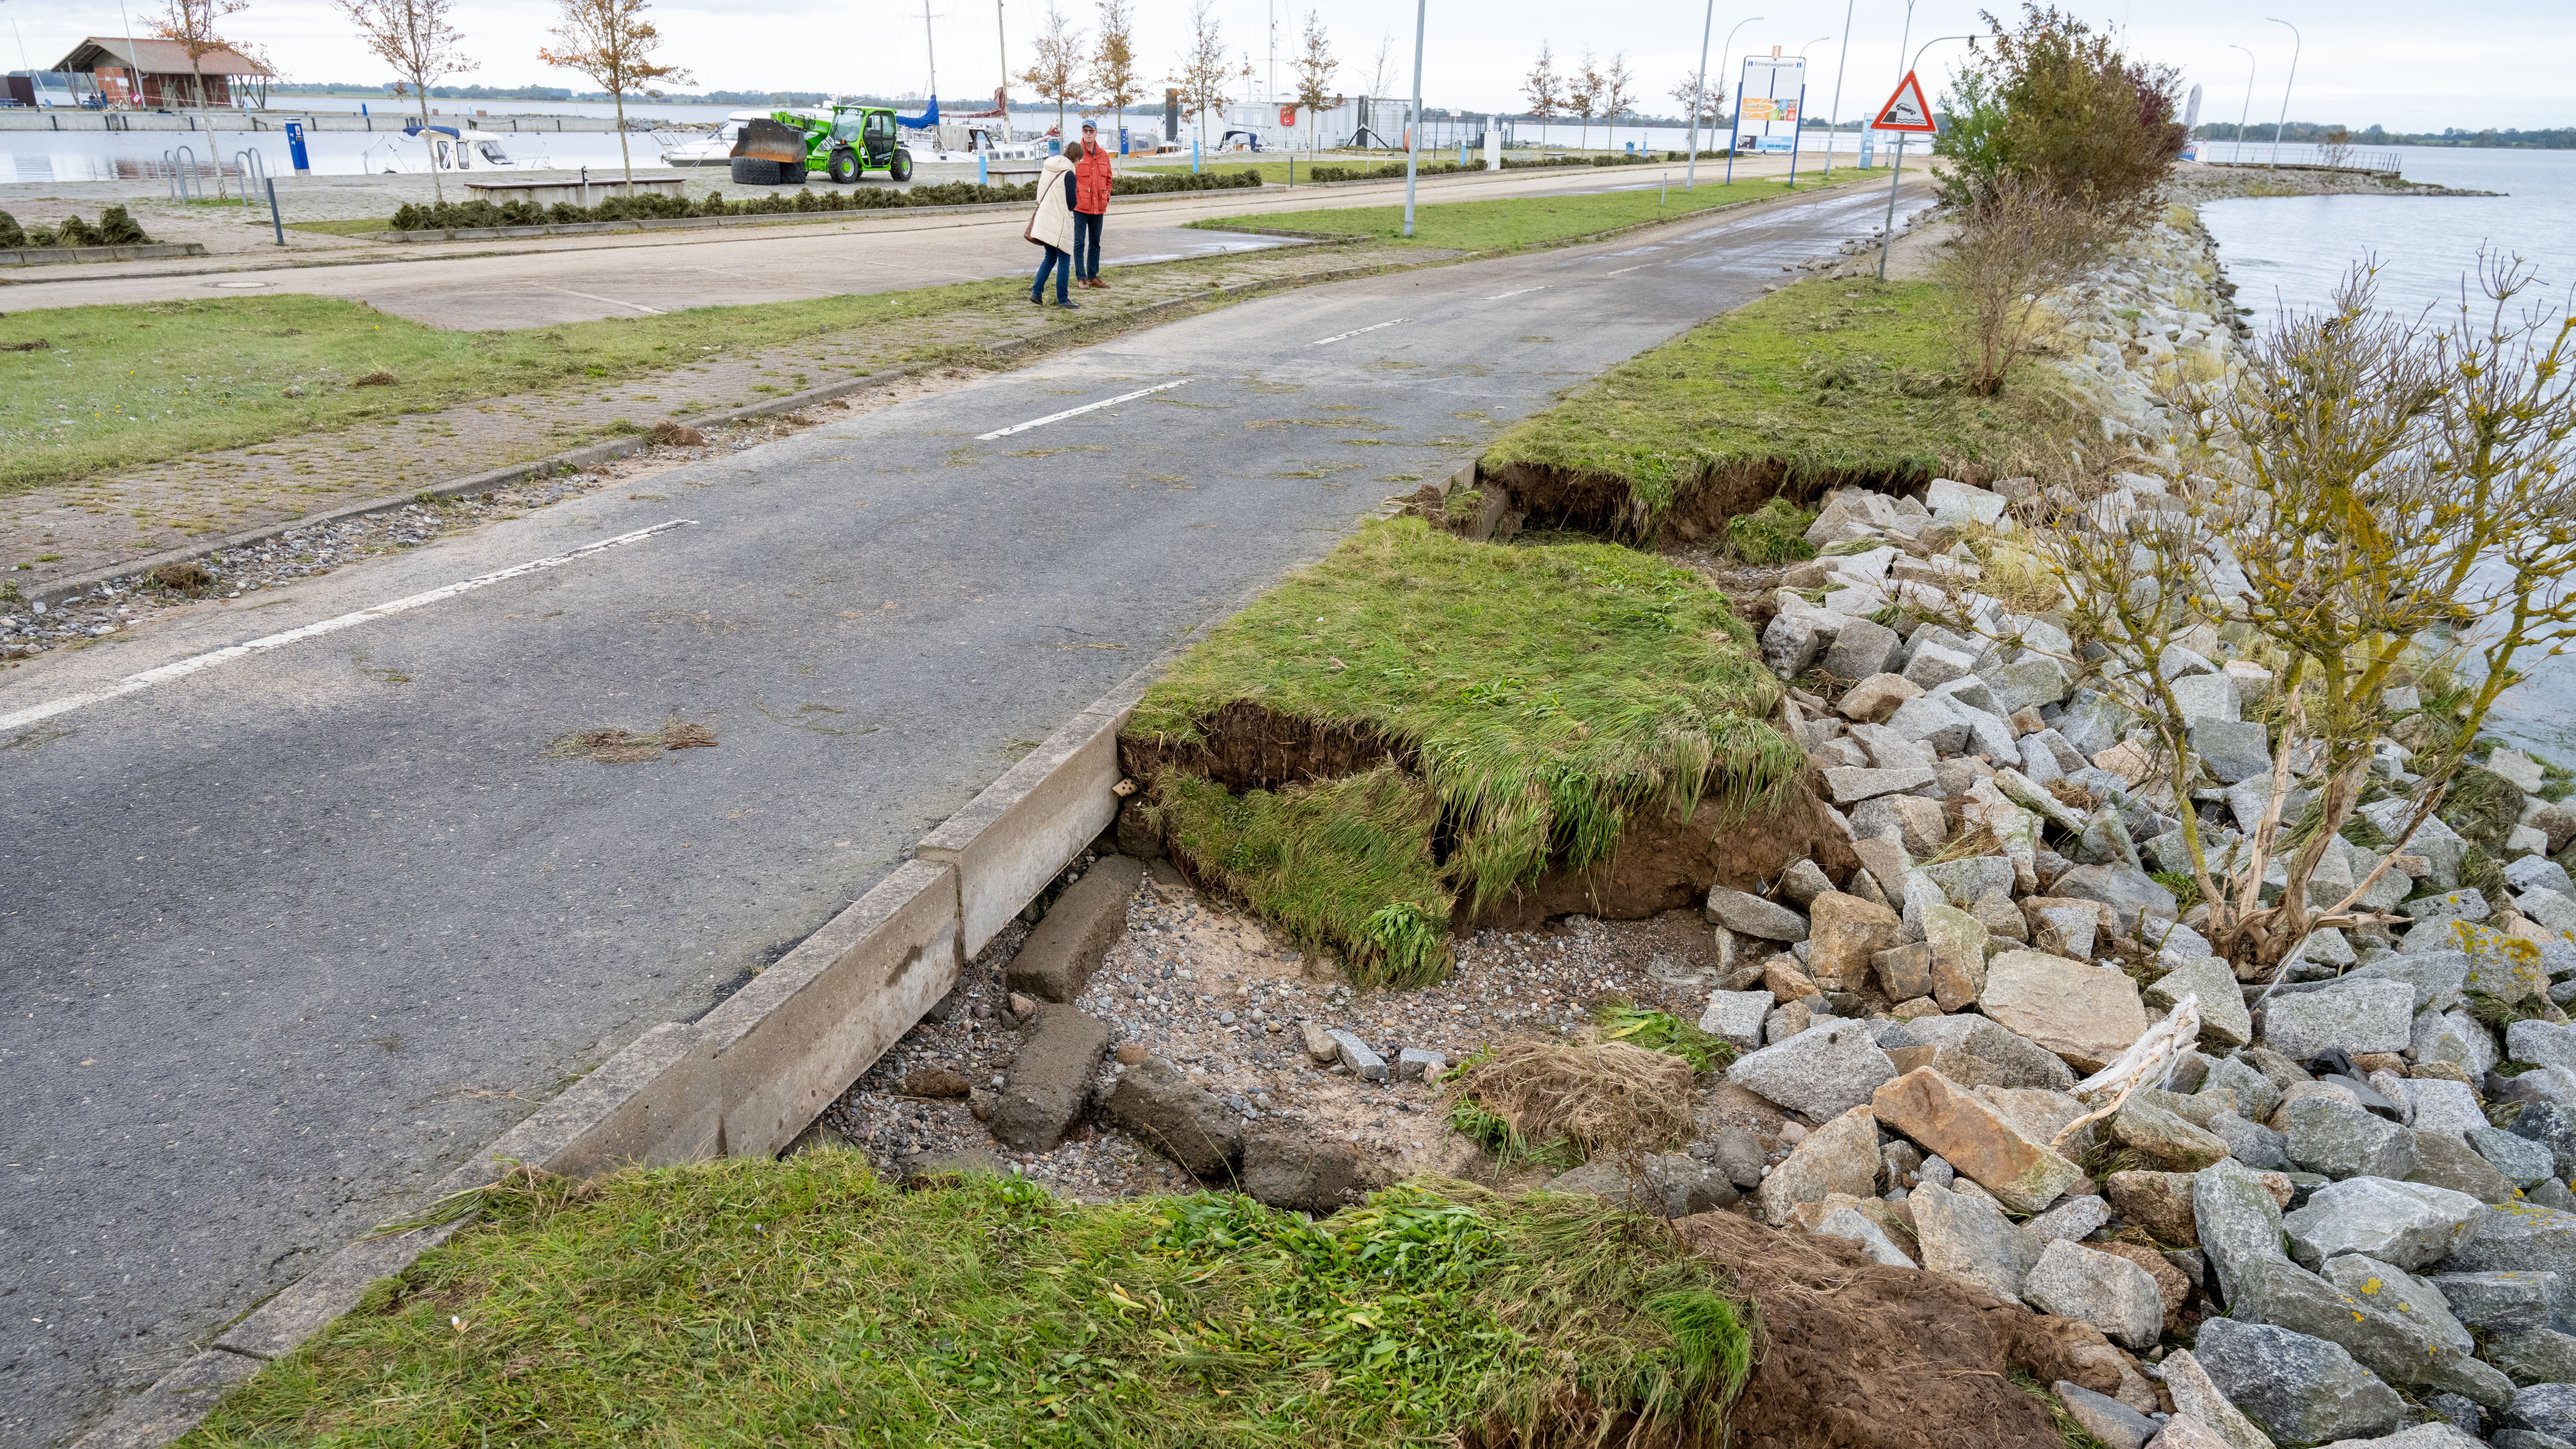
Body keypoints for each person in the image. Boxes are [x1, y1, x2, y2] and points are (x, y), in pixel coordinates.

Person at [1026, 140, 1081, 308]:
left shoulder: (1048, 168)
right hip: (1059, 221)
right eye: (1080, 160)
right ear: (1077, 158)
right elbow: (1072, 204)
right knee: (1064, 259)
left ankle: (1037, 293)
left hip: (1045, 219)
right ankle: (1063, 299)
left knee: (1050, 257)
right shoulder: (1069, 174)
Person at [1073, 120, 1113, 288]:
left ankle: (1093, 276)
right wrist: (1074, 198)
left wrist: (1107, 195)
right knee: (1080, 242)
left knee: (1095, 242)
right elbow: (1069, 177)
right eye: (1085, 130)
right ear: (1082, 132)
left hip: (1099, 207)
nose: (1088, 133)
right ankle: (1081, 278)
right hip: (1081, 207)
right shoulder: (1075, 153)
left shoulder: (1103, 155)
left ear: (1096, 133)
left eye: (1091, 131)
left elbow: (1109, 179)